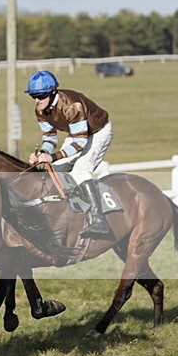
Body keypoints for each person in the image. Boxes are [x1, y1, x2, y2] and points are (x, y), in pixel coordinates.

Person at [24, 70, 113, 236]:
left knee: (80, 172)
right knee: (54, 172)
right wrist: (42, 154)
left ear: (53, 93)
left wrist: (52, 157)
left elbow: (80, 143)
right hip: (77, 133)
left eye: (41, 96)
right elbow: (50, 137)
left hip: (98, 131)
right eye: (33, 96)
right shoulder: (40, 110)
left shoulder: (73, 106)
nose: (37, 100)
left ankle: (100, 220)